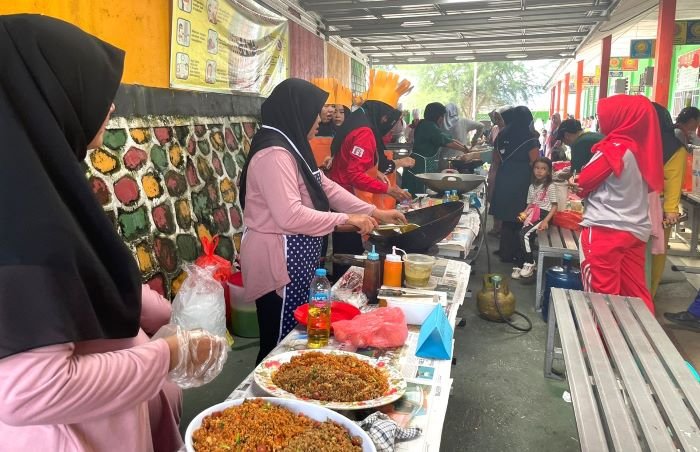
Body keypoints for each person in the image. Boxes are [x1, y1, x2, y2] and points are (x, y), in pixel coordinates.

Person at [0, 15, 227, 449]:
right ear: (49, 95)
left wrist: (159, 311)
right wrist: (168, 356)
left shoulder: (39, 185)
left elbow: (77, 278)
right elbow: (27, 390)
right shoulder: (22, 221)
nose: (111, 107)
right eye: (93, 88)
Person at [239, 78, 406, 363]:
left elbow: (325, 186)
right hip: (277, 259)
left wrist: (373, 213)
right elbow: (289, 215)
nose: (320, 119)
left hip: (297, 256)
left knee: (294, 337)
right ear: (297, 110)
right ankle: (264, 397)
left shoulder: (293, 144)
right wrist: (346, 219)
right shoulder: (274, 153)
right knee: (277, 342)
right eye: (316, 111)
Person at [576, 95, 663, 314]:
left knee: (601, 298)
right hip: (635, 231)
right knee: (636, 296)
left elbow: (584, 180)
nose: (600, 120)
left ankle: (600, 347)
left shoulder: (614, 148)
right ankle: (643, 344)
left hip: (605, 230)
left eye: (603, 116)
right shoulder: (644, 150)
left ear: (619, 118)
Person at [328, 70, 414, 277]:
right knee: (349, 255)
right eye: (387, 118)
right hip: (347, 197)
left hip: (339, 195)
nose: (387, 123)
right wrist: (389, 189)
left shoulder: (356, 118)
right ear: (382, 114)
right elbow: (354, 175)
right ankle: (345, 294)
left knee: (343, 251)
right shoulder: (364, 131)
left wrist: (376, 174)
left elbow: (348, 159)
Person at [651, 106, 699, 298]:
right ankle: (647, 296)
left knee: (651, 256)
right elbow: (673, 179)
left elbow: (673, 178)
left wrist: (670, 210)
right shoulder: (672, 143)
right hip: (655, 209)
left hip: (648, 210)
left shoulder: (652, 142)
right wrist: (670, 210)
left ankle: (644, 297)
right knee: (655, 256)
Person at [490, 106, 541, 263]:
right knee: (522, 216)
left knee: (507, 217)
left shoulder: (501, 134)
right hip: (522, 180)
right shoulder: (530, 137)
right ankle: (520, 254)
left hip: (504, 177)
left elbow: (495, 161)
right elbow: (535, 163)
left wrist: (492, 181)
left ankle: (505, 252)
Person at [403, 102, 481, 194]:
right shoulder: (429, 126)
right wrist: (465, 150)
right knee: (418, 195)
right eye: (442, 116)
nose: (443, 119)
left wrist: (466, 148)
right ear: (437, 116)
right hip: (419, 166)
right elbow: (447, 142)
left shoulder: (428, 124)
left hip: (422, 165)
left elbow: (450, 139)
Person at [512, 157, 558, 279]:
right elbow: (530, 203)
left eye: (543, 169)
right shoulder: (532, 186)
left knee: (524, 235)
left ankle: (530, 262)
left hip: (543, 215)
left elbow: (554, 206)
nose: (539, 171)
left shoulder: (551, 186)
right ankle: (520, 264)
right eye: (537, 168)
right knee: (519, 234)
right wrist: (524, 213)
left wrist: (545, 221)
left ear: (548, 172)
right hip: (532, 213)